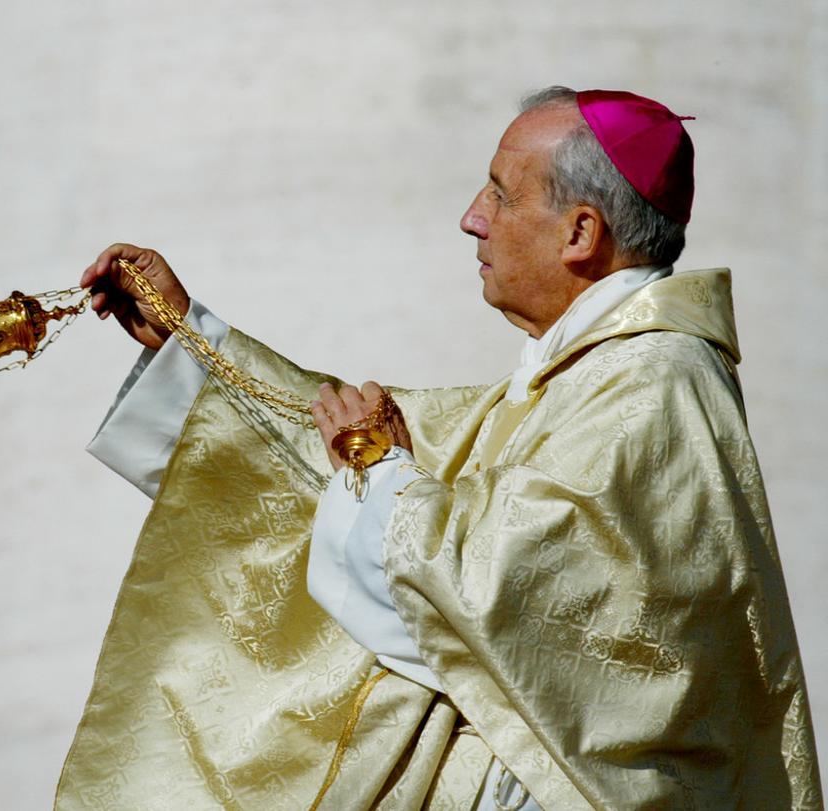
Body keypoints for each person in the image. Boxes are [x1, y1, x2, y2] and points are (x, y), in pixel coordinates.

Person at [53, 87, 821, 809]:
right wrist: (193, 340)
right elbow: (352, 449)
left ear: (582, 233)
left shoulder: (655, 383)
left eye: (500, 193)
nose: (471, 217)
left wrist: (375, 467)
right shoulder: (583, 374)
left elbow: (521, 595)